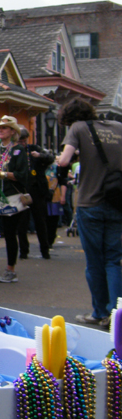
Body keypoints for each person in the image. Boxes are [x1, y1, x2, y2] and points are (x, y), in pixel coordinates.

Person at [57, 98, 122, 328]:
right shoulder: (118, 127)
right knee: (114, 260)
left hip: (90, 202)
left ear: (70, 118)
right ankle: (116, 314)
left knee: (95, 262)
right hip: (117, 202)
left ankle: (98, 311)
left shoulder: (78, 128)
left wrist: (57, 158)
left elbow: (64, 160)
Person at [0, 115, 29, 283]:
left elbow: (22, 176)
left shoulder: (19, 151)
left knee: (10, 234)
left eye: (4, 128)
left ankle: (10, 269)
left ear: (12, 131)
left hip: (12, 197)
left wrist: (1, 174)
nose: (0, 130)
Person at [15, 126, 53, 259]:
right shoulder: (14, 152)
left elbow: (50, 158)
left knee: (40, 221)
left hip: (37, 190)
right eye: (20, 141)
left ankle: (45, 250)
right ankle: (24, 251)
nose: (23, 143)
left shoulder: (35, 149)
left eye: (24, 141)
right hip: (22, 191)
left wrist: (40, 156)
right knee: (22, 223)